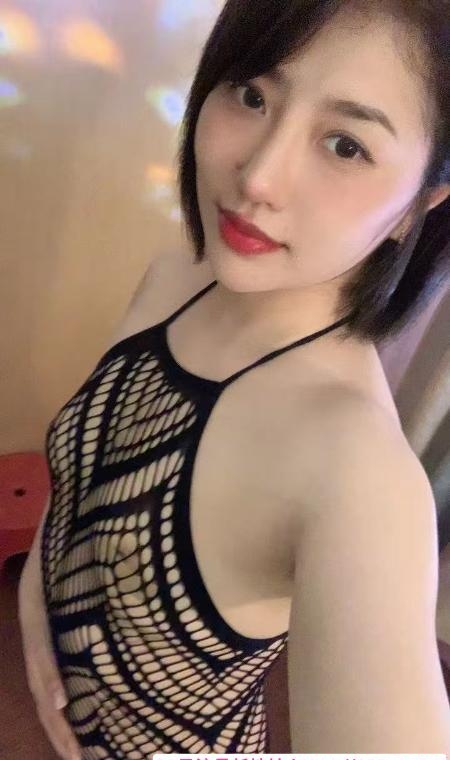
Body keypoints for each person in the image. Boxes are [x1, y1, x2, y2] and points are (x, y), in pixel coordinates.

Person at [18, 1, 450, 758]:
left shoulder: (357, 473)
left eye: (346, 145)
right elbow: (81, 485)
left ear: (417, 206)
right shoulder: (173, 278)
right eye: (251, 94)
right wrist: (33, 604)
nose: (257, 176)